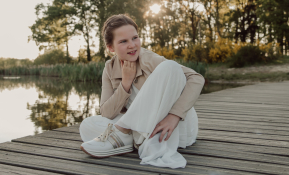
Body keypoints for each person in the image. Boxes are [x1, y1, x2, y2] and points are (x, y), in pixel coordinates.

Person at [79, 14, 204, 168]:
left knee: (170, 67)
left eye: (135, 38)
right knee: (87, 125)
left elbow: (197, 79)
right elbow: (107, 112)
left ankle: (123, 133)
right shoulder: (109, 68)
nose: (132, 45)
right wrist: (125, 83)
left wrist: (174, 116)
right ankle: (128, 136)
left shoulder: (148, 59)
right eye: (123, 41)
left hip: (171, 129)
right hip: (145, 128)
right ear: (111, 48)